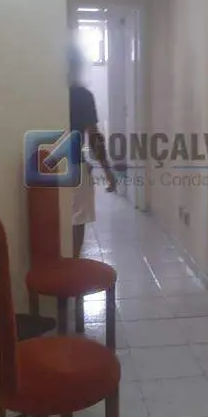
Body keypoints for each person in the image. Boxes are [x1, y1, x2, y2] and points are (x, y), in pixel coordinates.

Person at [68, 44, 116, 259]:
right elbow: (94, 136)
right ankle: (72, 267)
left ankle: (62, 270)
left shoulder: (43, 94)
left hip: (41, 165)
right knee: (76, 220)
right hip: (74, 166)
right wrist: (108, 171)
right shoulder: (82, 96)